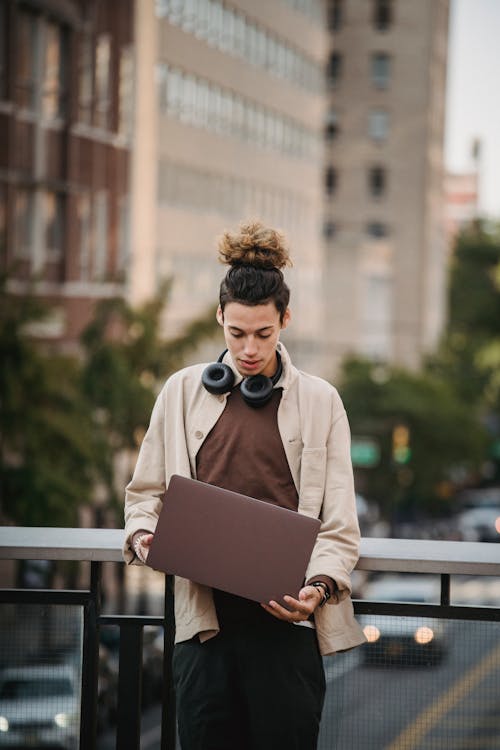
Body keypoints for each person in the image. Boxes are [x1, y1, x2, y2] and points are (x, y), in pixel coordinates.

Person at [123, 221, 365, 750]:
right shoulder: (181, 391)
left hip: (288, 633)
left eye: (264, 333)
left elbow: (340, 525)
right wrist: (145, 539)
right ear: (219, 318)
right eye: (236, 334)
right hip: (203, 633)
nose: (249, 349)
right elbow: (144, 496)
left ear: (285, 320)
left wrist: (317, 589)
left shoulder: (322, 401)